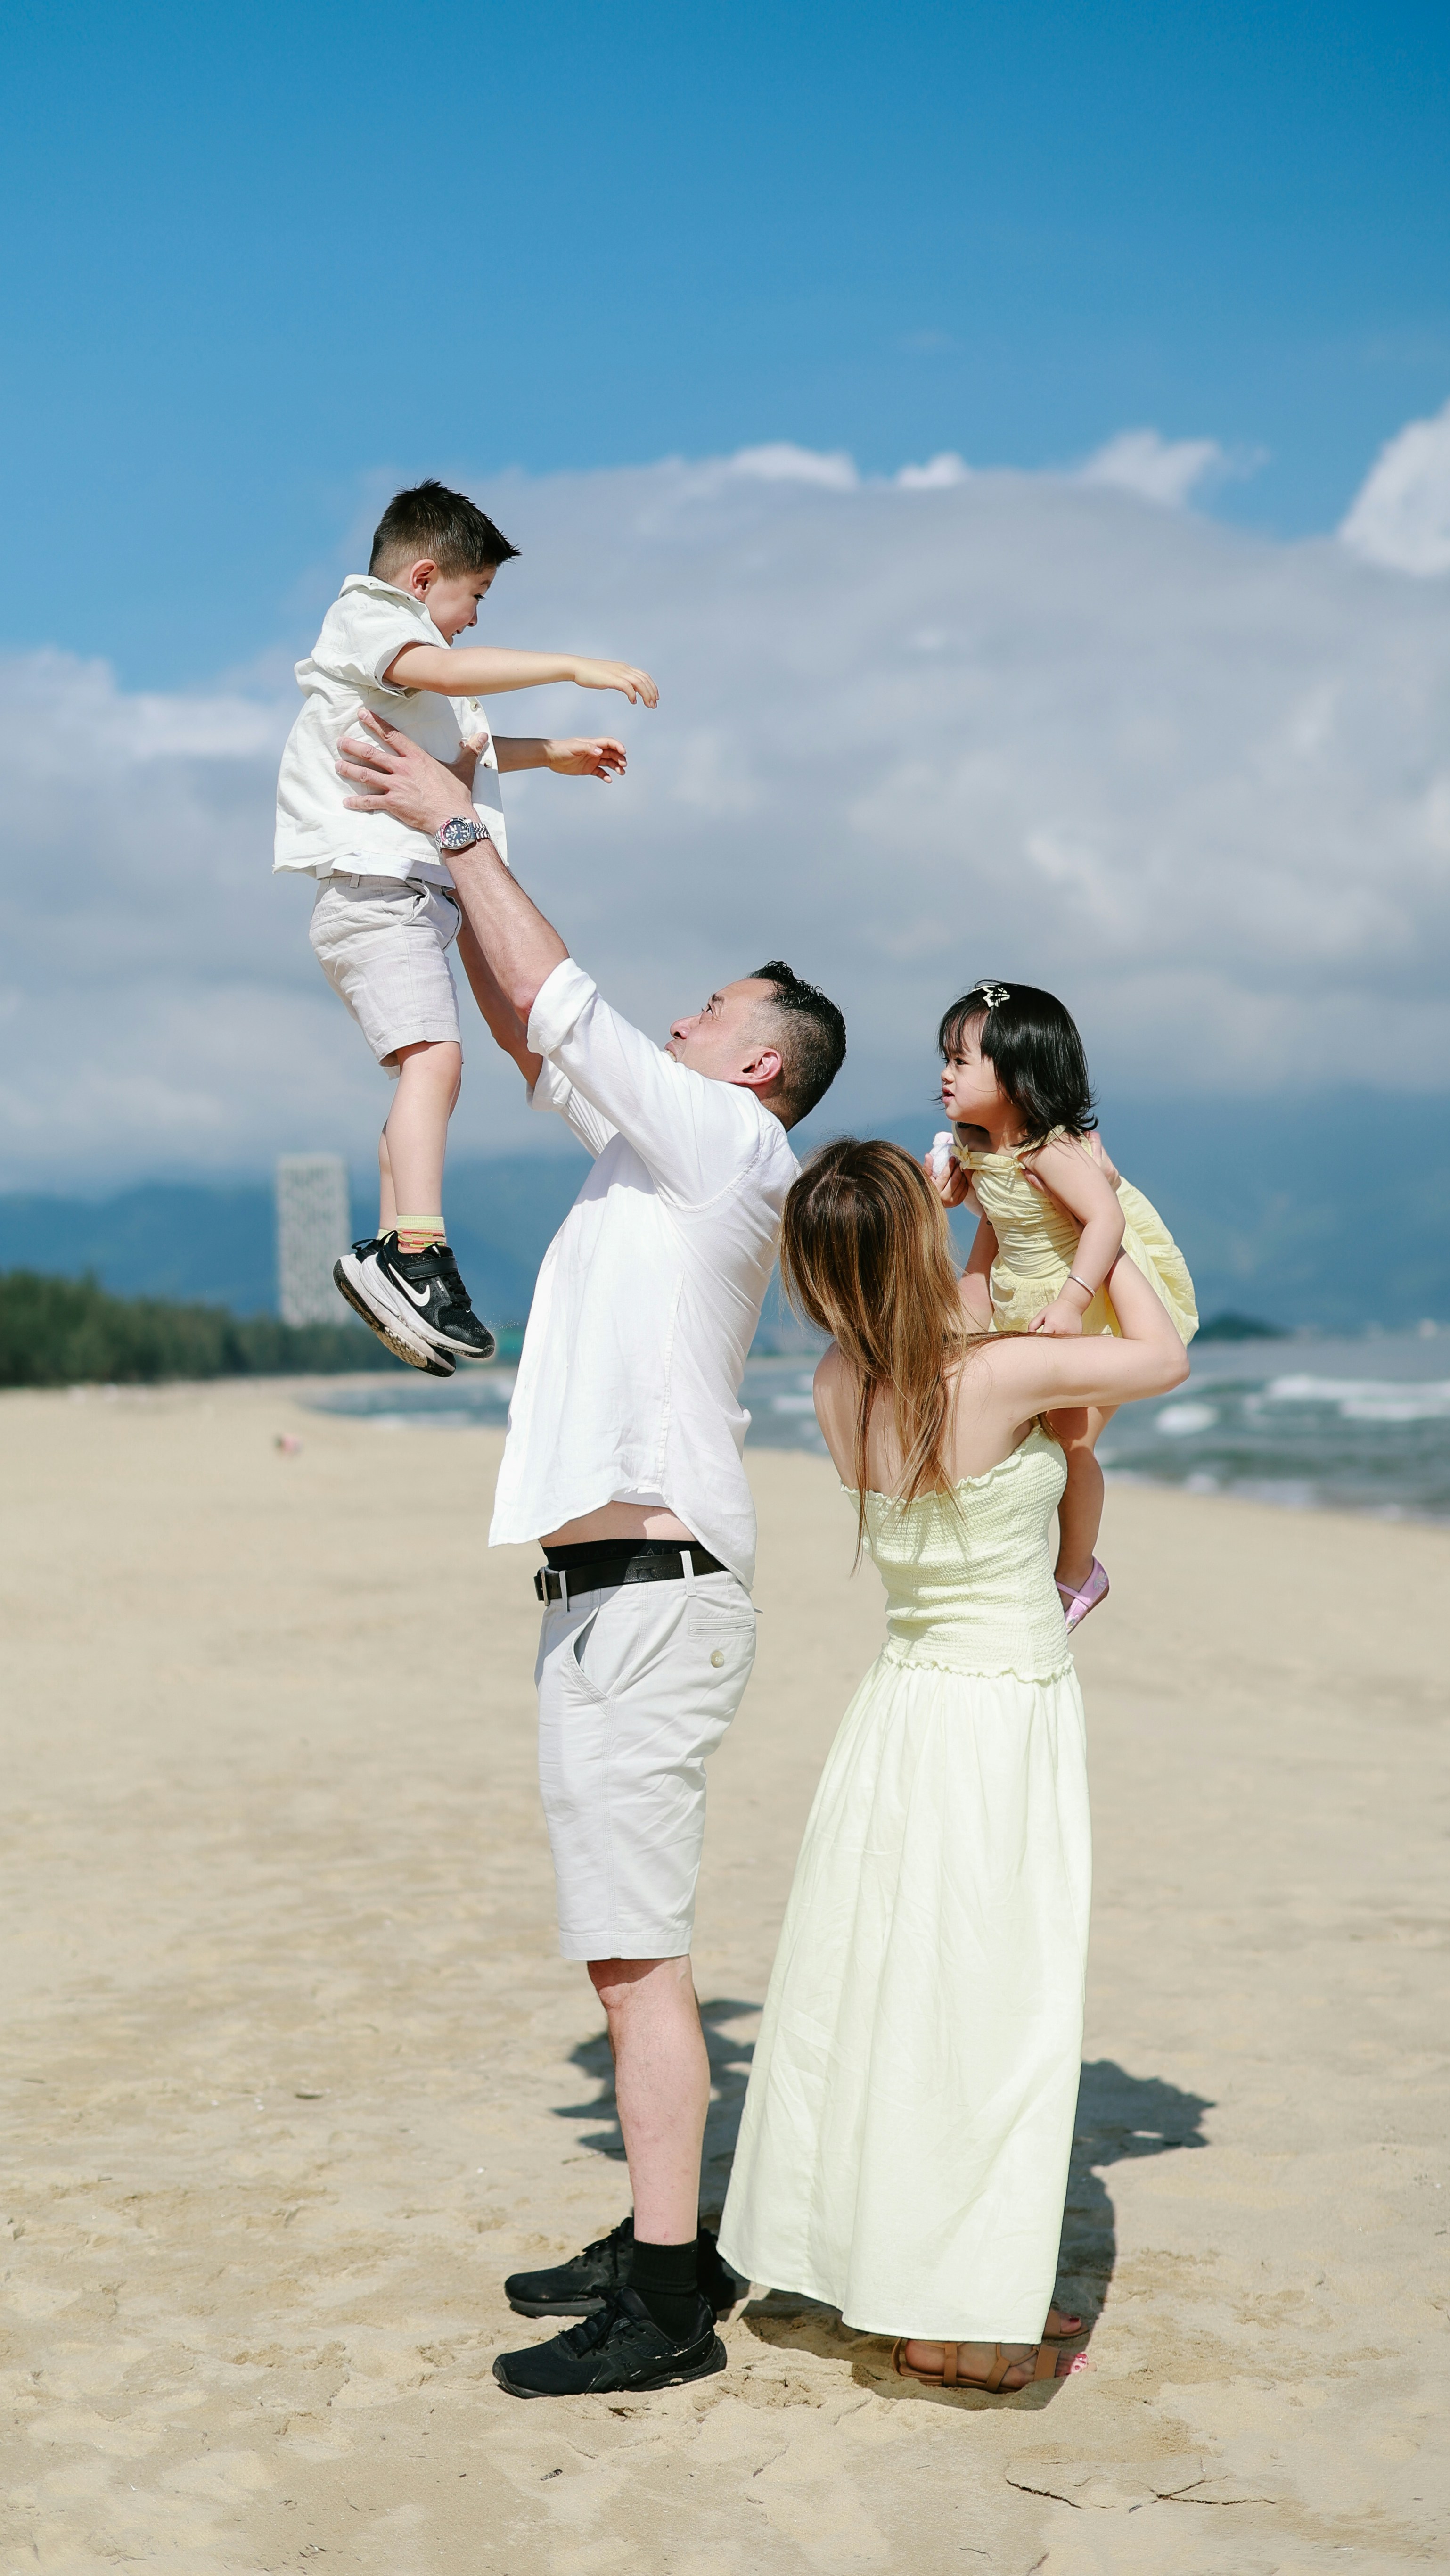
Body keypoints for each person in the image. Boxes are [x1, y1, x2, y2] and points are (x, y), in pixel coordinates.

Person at [333, 706, 846, 2400]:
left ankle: (673, 2297)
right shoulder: (657, 1145)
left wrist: (465, 829)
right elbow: (530, 1017)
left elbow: (562, 1003)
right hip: (608, 1599)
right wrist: (448, 859)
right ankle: (648, 2237)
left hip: (653, 1599)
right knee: (621, 1950)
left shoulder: (730, 1144)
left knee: (639, 1960)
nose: (678, 1019)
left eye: (707, 1013)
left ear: (756, 1063)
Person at [717, 1138, 1190, 2390]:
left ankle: (893, 2272)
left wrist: (943, 1220)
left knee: (888, 2002)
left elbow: (942, 1305)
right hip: (996, 1714)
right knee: (990, 2011)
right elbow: (1160, 1354)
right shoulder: (993, 1373)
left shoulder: (835, 1377)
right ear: (908, 1240)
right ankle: (958, 2317)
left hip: (899, 1711)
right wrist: (1102, 1214)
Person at [276, 478, 658, 1377]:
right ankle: (416, 1251)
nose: (475, 620)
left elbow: (470, 743)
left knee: (430, 1074)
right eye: (474, 596)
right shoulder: (371, 619)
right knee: (434, 1064)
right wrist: (574, 666)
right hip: (377, 892)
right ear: (422, 576)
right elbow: (445, 673)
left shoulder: (412, 663)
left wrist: (549, 753)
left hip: (409, 896)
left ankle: (390, 1256)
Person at [927, 980, 1197, 1627]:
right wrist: (955, 1195)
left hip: (1085, 1300)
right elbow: (1000, 1227)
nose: (945, 1074)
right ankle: (1020, 1560)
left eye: (962, 1061)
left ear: (1019, 1081)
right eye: (946, 1057)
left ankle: (1078, 1570)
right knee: (1025, 1436)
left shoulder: (1051, 1149)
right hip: (1025, 1303)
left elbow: (1104, 1218)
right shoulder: (982, 1147)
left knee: (1073, 1441)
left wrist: (1076, 1300)